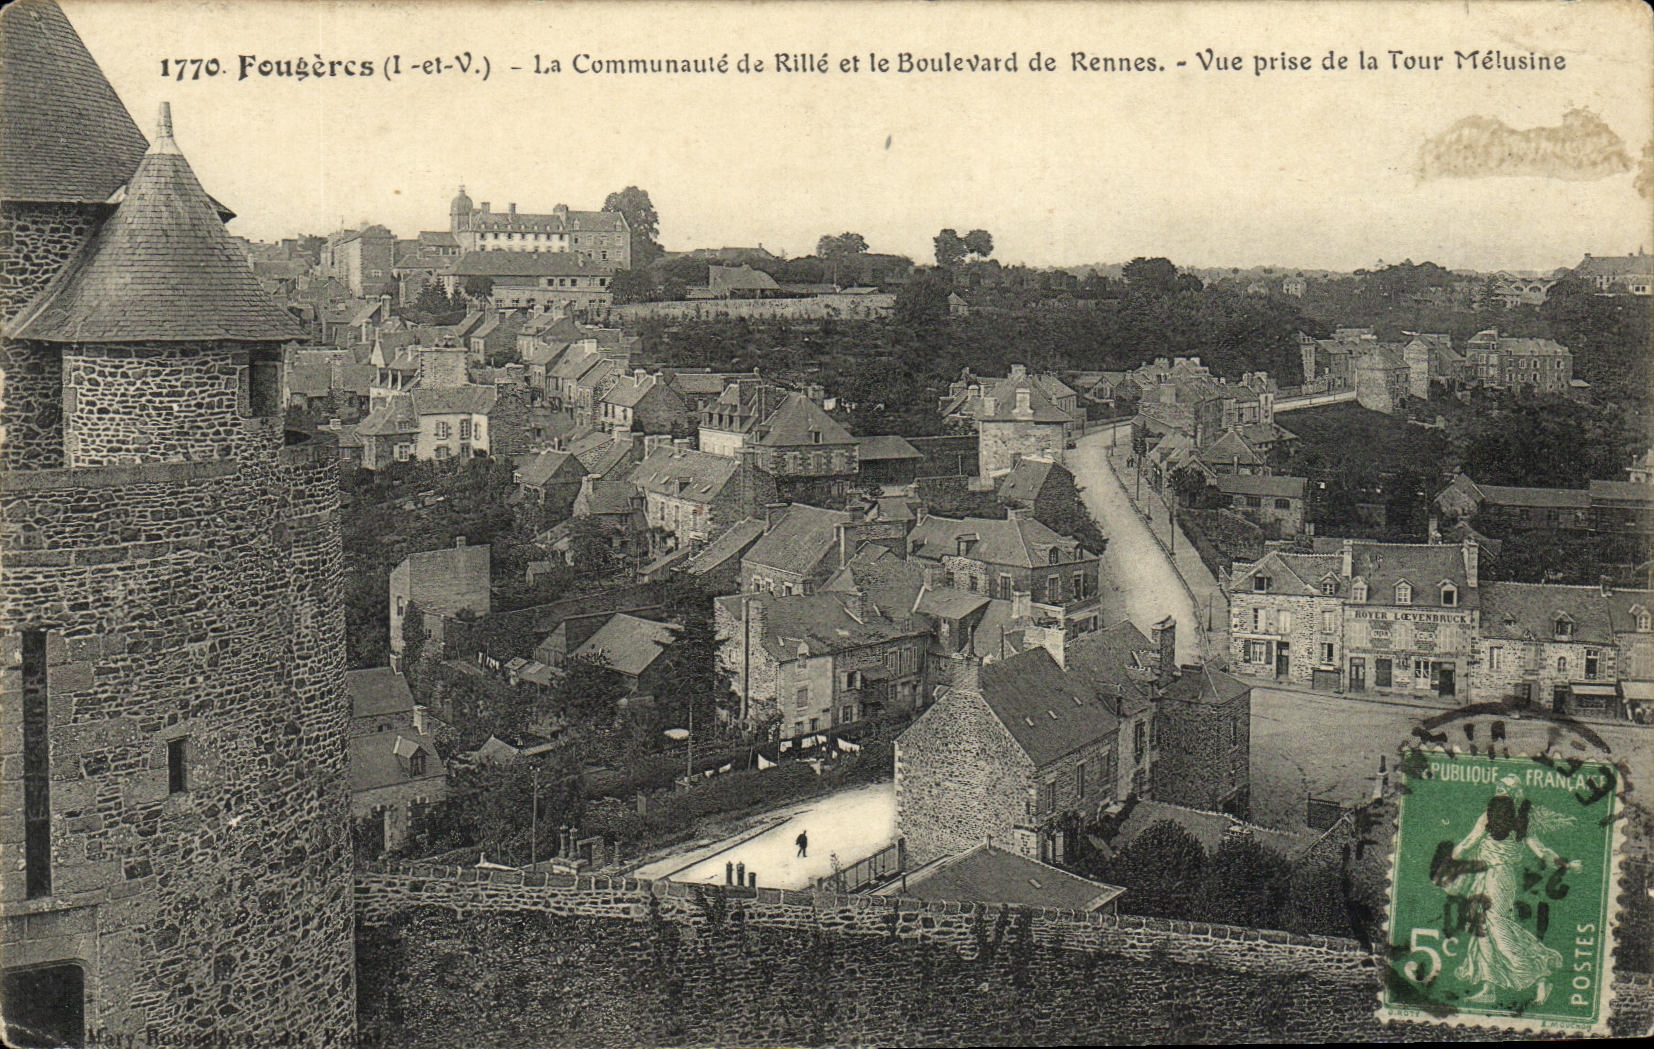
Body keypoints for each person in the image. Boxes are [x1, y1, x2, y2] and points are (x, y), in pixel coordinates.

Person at [1439, 774, 1579, 1004]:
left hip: (1499, 877)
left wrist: (1566, 865)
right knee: (1481, 928)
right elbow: (1469, 843)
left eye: (1502, 787)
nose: (1498, 789)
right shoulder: (1502, 818)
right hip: (1486, 876)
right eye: (1498, 786)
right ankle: (1489, 987)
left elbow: (1540, 851)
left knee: (1497, 928)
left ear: (1510, 794)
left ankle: (1540, 974)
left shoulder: (1509, 820)